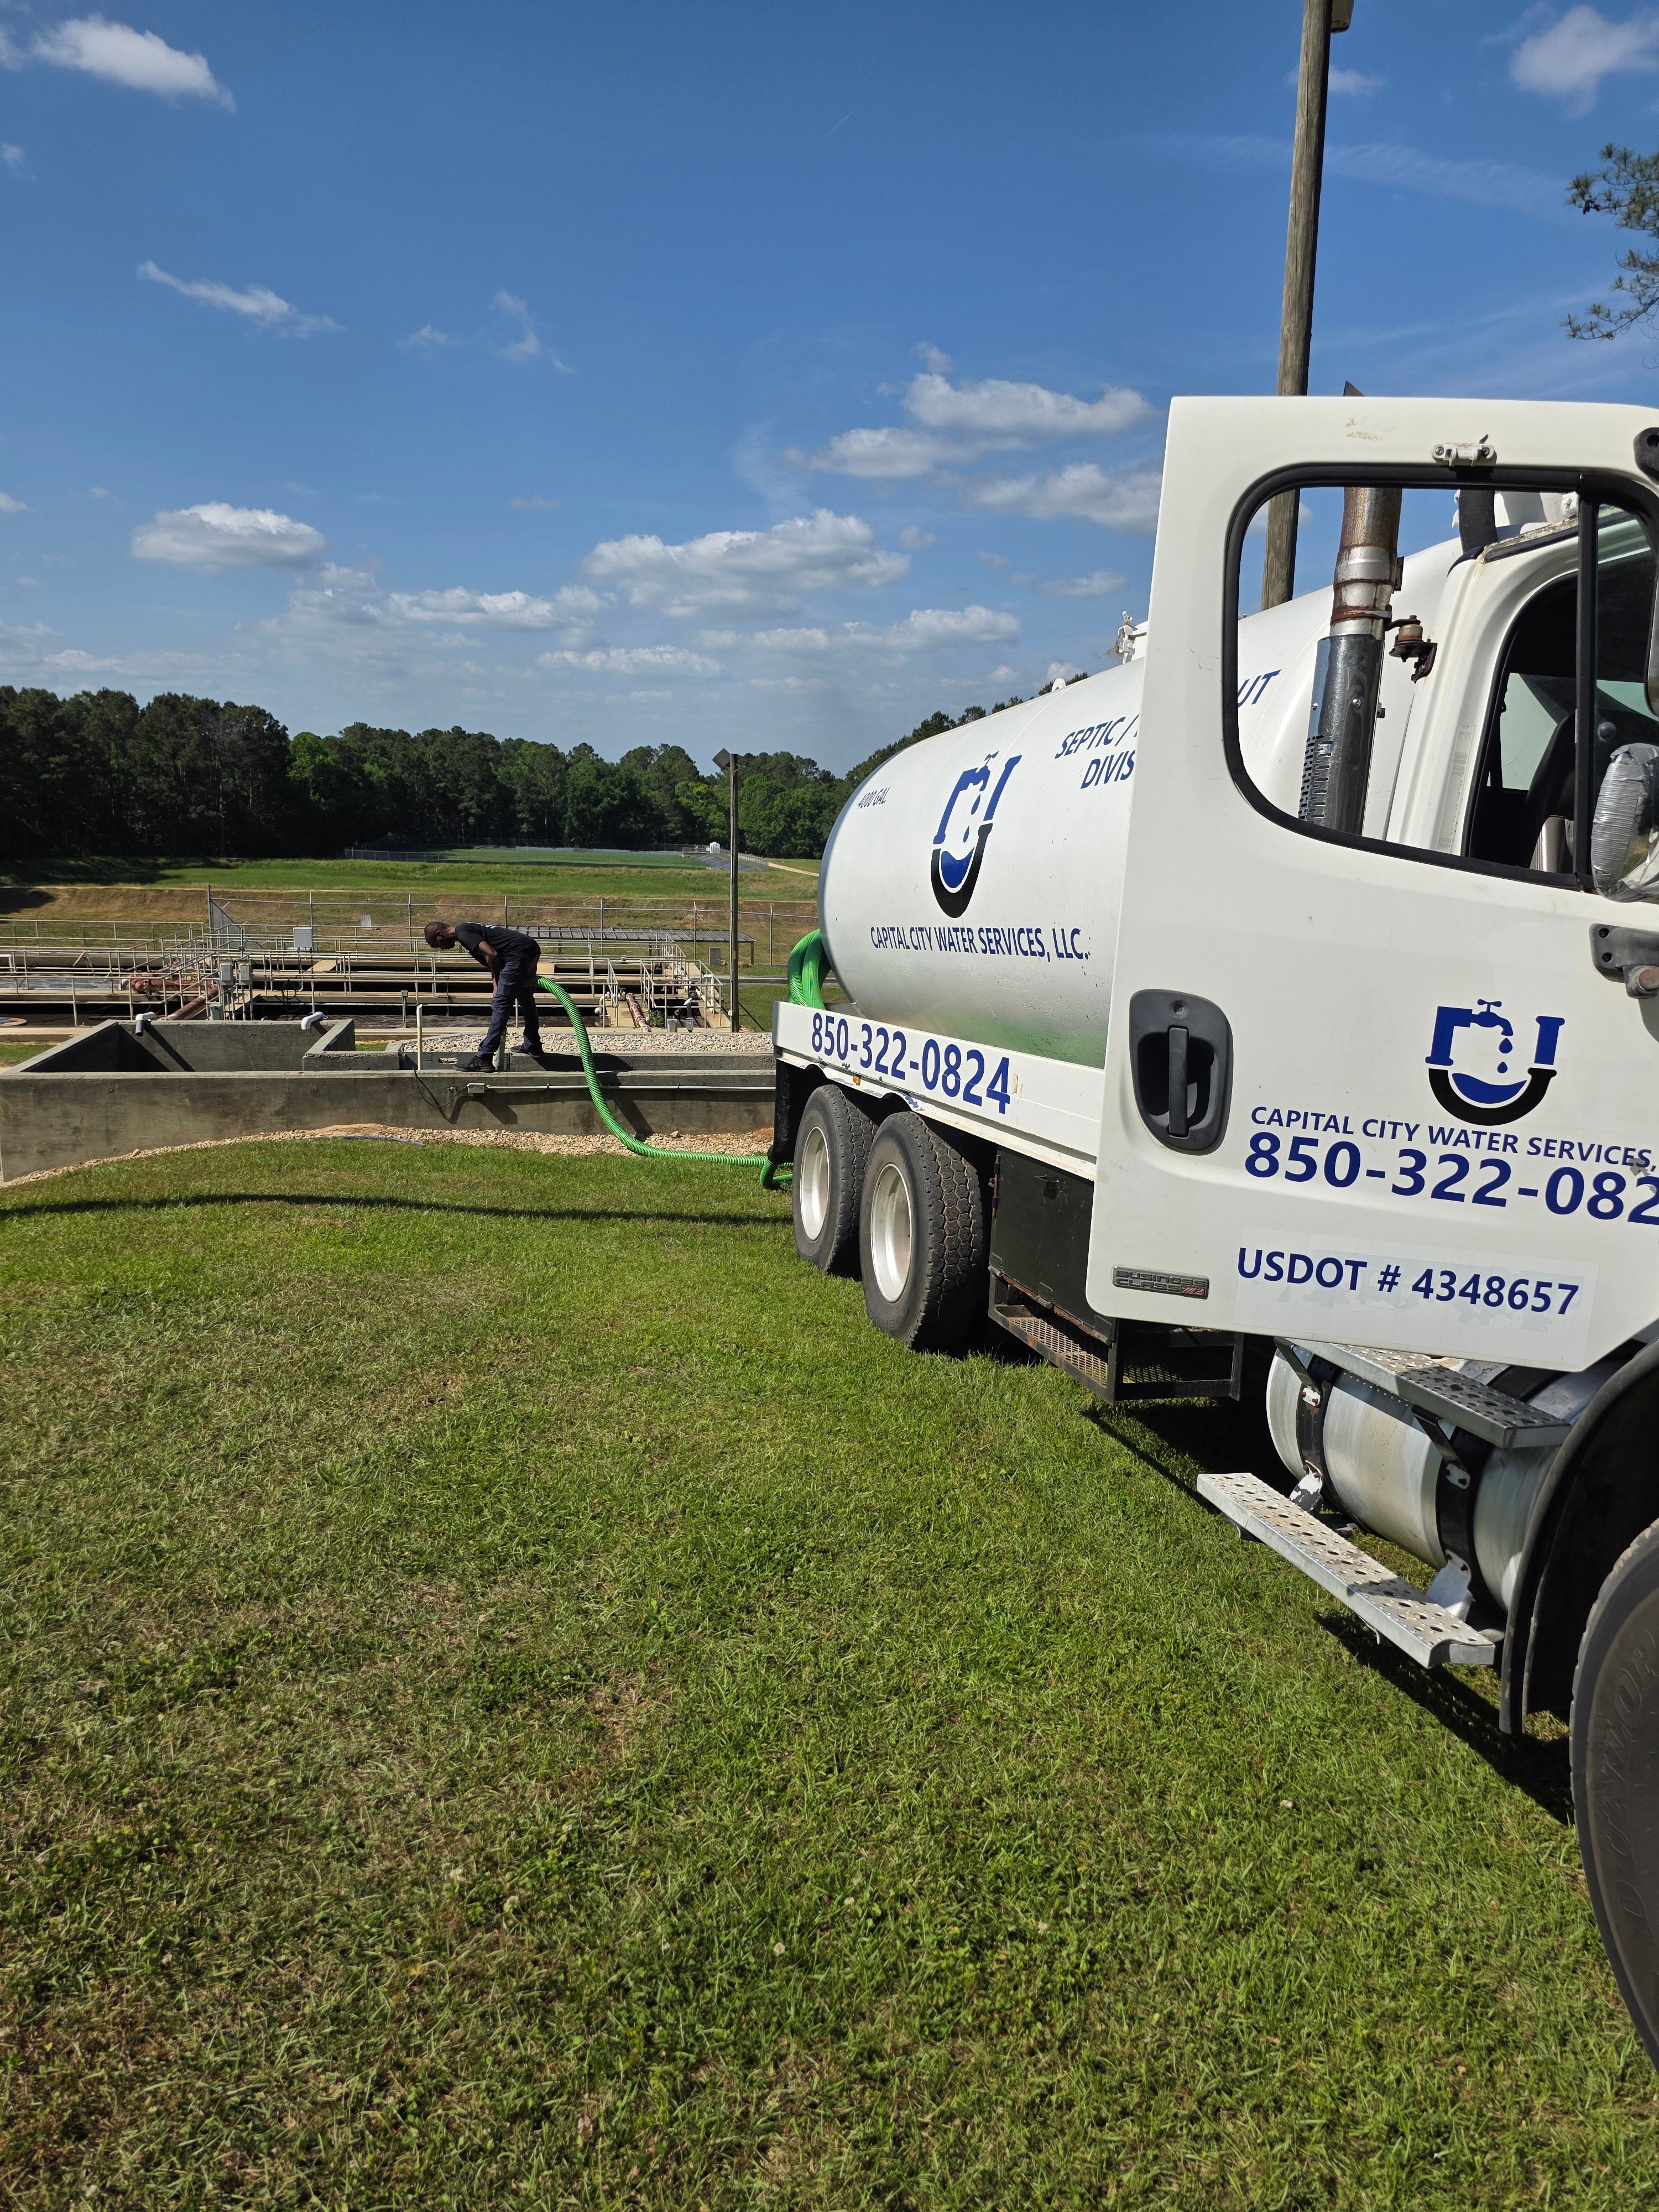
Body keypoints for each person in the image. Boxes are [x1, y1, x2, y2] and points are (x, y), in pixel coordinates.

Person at [423, 919, 547, 1070]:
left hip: (516, 955)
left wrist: (497, 980)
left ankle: (484, 1057)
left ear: (439, 934)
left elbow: (492, 954)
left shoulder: (463, 933)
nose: (440, 949)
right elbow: (493, 957)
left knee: (500, 1005)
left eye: (436, 944)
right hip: (529, 949)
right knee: (526, 999)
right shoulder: (467, 928)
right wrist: (496, 981)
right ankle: (533, 1045)